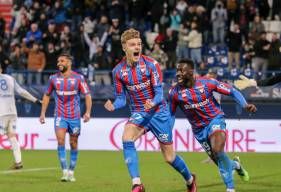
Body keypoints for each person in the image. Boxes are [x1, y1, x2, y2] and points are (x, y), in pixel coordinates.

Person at [104, 28, 196, 192]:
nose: (137, 47)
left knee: (169, 157)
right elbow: (121, 99)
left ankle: (190, 180)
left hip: (159, 112)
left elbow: (160, 93)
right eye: (132, 44)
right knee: (127, 137)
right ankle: (137, 183)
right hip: (139, 113)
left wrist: (152, 102)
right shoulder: (118, 72)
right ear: (124, 47)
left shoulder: (151, 65)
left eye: (139, 44)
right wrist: (113, 105)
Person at [168, 59, 257, 192]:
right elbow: (170, 114)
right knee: (220, 160)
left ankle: (230, 189)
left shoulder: (207, 83)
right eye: (177, 70)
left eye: (182, 70)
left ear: (191, 72)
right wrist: (167, 131)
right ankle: (236, 165)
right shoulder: (174, 92)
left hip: (215, 120)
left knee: (217, 150)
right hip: (199, 130)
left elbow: (232, 91)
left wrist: (244, 105)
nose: (178, 74)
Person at [39, 53, 92, 182]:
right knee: (61, 141)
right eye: (58, 61)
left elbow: (88, 95)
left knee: (73, 143)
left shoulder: (79, 78)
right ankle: (64, 171)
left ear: (69, 63)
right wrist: (42, 113)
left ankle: (71, 171)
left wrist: (88, 112)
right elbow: (46, 95)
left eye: (62, 61)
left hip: (74, 117)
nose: (59, 63)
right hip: (60, 116)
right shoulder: (53, 78)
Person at [0, 65, 41, 169]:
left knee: (11, 137)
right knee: (12, 137)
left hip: (1, 113)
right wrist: (35, 100)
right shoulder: (10, 78)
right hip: (12, 112)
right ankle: (18, 162)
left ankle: (18, 162)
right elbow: (22, 92)